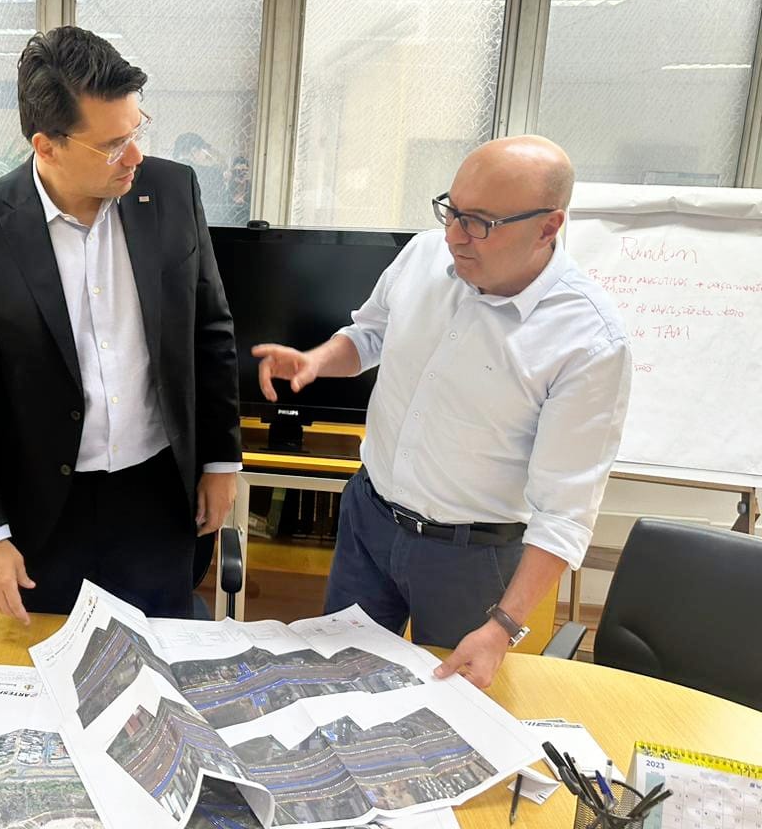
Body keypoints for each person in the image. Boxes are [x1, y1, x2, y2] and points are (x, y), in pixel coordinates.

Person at [252, 135, 631, 687]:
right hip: (370, 518)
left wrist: (502, 627)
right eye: (451, 210)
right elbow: (371, 333)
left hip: (473, 558)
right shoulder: (425, 254)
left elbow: (564, 514)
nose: (453, 236)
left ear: (549, 227)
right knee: (338, 682)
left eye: (479, 222)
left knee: (452, 716)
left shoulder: (588, 340)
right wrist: (317, 361)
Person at [0, 26, 241, 623]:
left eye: (136, 130)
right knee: (51, 667)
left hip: (158, 488)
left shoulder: (173, 192)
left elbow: (211, 331)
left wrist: (221, 463)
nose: (136, 156)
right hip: (46, 506)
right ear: (46, 146)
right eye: (112, 144)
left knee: (164, 661)